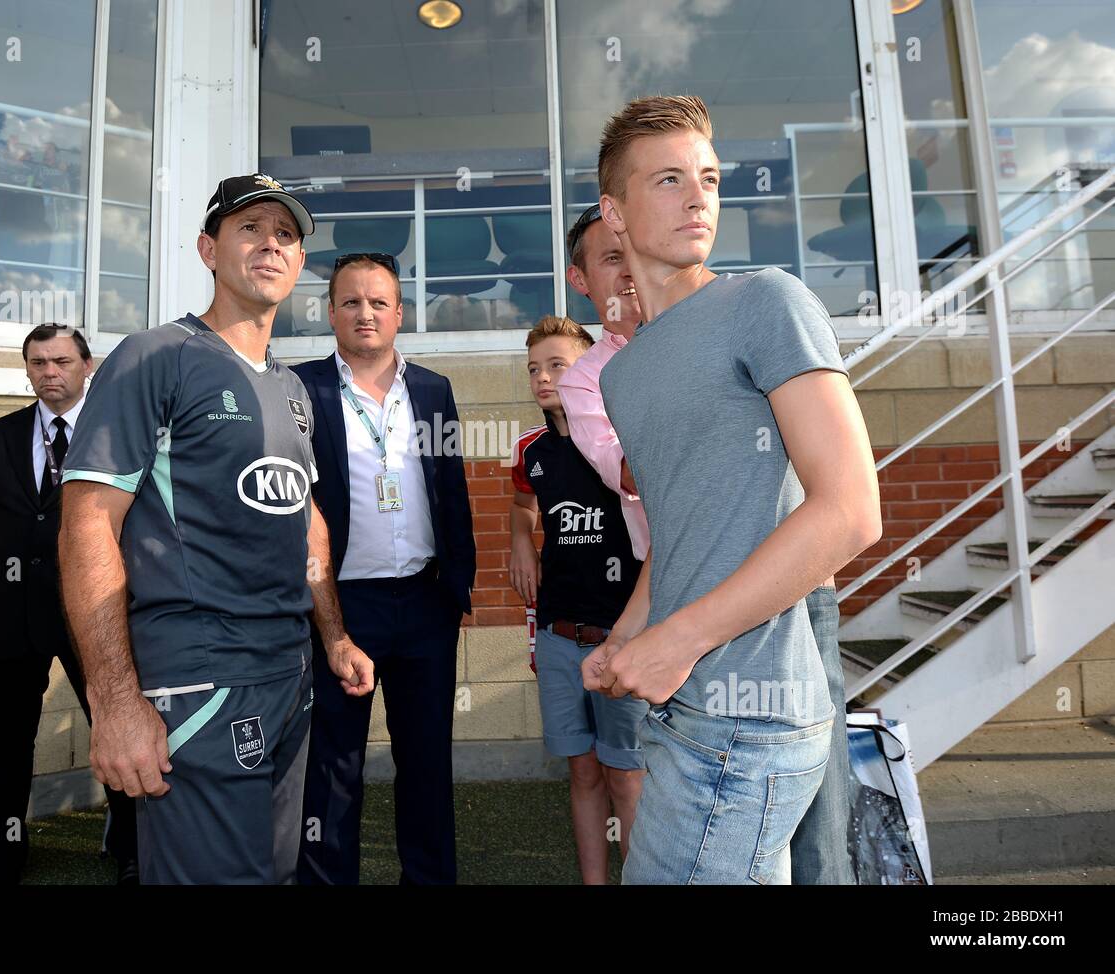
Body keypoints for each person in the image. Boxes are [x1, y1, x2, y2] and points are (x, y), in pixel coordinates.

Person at [582, 95, 881, 885]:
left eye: (709, 178)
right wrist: (627, 633)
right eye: (670, 179)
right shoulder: (623, 373)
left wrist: (676, 642)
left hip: (753, 718)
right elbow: (684, 531)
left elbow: (851, 511)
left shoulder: (765, 302)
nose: (699, 197)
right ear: (614, 211)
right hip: (679, 714)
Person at [58, 173, 375, 885]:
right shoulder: (154, 356)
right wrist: (114, 703)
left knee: (274, 875)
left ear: (299, 264)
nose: (271, 244)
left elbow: (307, 521)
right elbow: (86, 527)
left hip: (290, 676)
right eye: (250, 229)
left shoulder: (292, 389)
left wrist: (334, 638)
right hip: (201, 683)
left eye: (286, 235)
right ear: (208, 248)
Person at [292, 252, 475, 885]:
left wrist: (456, 588)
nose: (364, 313)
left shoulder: (431, 390)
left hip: (426, 605)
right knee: (332, 767)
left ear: (399, 313)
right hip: (342, 608)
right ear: (331, 312)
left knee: (427, 762)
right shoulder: (301, 389)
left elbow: (451, 490)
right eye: (350, 302)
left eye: (378, 302)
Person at [0, 323, 137, 885]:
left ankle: (133, 848)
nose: (50, 372)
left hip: (93, 614)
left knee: (117, 726)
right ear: (28, 369)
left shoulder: (120, 435)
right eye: (38, 363)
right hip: (5, 619)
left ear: (88, 366)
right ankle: (0, 857)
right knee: (5, 747)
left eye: (61, 361)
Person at [508, 315, 646, 884]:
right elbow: (521, 505)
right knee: (583, 773)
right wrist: (520, 538)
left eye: (558, 365)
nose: (544, 378)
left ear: (590, 368)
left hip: (623, 636)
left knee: (626, 776)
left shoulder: (622, 444)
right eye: (535, 368)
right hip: (560, 637)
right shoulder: (531, 451)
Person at [556, 204, 647, 562]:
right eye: (612, 258)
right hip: (682, 576)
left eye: (637, 253)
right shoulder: (582, 382)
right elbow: (630, 476)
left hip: (787, 558)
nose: (629, 271)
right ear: (579, 279)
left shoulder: (710, 332)